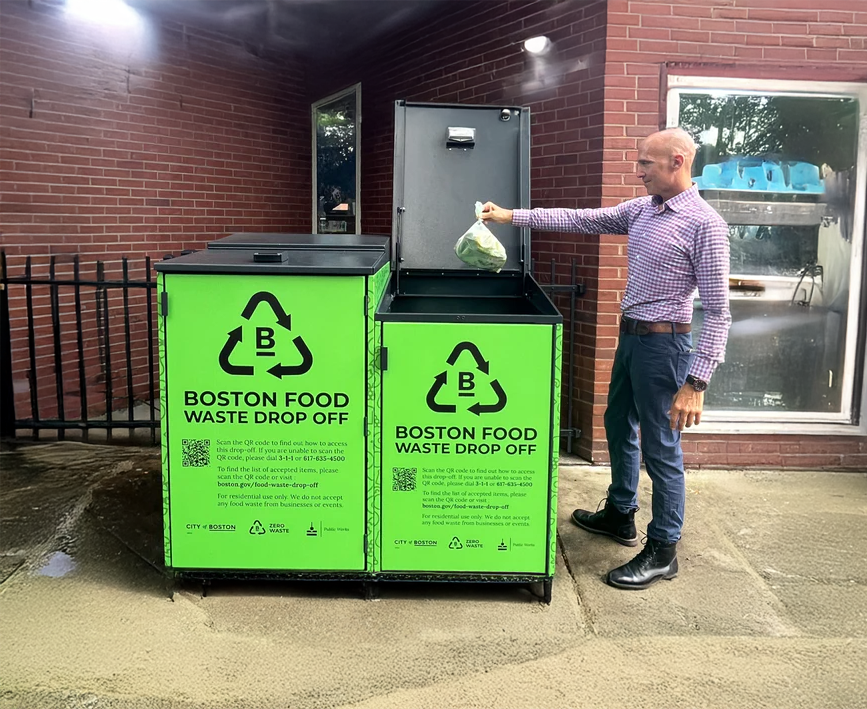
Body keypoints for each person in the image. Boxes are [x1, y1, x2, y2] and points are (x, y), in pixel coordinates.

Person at [481, 128, 731, 590]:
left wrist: (696, 383)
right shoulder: (643, 210)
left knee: (662, 450)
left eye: (646, 165)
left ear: (677, 162)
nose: (637, 172)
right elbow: (580, 219)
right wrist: (510, 216)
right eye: (638, 163)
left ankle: (663, 549)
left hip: (665, 347)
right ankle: (620, 513)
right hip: (632, 340)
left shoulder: (704, 224)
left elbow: (718, 310)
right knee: (618, 424)